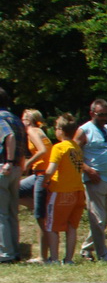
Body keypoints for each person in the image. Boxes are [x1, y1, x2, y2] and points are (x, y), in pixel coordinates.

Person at [74, 98, 107, 262]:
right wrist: (87, 170)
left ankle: (87, 248)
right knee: (97, 218)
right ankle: (103, 255)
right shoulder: (84, 130)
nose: (104, 118)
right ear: (92, 113)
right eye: (100, 115)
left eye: (106, 115)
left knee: (105, 219)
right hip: (94, 179)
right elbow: (73, 153)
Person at [43, 114, 87, 265]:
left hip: (60, 191)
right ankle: (68, 259)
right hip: (78, 192)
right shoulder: (76, 148)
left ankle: (54, 258)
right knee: (71, 226)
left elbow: (51, 170)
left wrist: (44, 181)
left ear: (61, 130)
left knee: (52, 226)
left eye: (56, 128)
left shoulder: (59, 147)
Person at [18, 109, 53, 263]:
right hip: (39, 175)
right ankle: (33, 205)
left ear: (28, 120)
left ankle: (43, 256)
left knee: (41, 218)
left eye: (23, 119)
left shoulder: (32, 131)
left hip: (40, 175)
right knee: (14, 191)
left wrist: (27, 163)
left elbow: (43, 150)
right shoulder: (41, 131)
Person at [0, 86, 27, 264]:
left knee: (1, 214)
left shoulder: (0, 118)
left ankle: (5, 253)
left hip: (4, 167)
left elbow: (8, 136)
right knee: (12, 212)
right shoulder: (16, 118)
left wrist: (8, 162)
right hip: (16, 169)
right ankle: (15, 250)